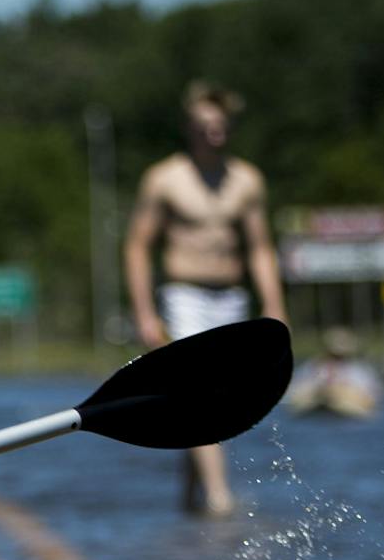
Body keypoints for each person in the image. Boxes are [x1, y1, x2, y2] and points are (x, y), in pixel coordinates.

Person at [123, 79, 289, 515]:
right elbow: (138, 246)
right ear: (189, 127)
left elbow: (259, 248)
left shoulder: (247, 181)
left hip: (230, 298)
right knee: (198, 395)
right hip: (183, 297)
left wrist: (274, 307)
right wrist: (144, 313)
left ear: (230, 127)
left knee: (214, 404)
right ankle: (220, 499)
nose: (212, 134)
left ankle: (189, 500)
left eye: (220, 126)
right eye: (203, 126)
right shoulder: (164, 179)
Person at [286, 326, 383, 419]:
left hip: (348, 409)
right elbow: (295, 392)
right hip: (316, 409)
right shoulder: (313, 367)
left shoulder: (358, 370)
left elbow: (373, 395)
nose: (337, 357)